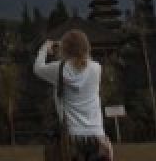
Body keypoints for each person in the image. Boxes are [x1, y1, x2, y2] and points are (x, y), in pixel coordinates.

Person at [33, 30, 113, 160]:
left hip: (71, 137)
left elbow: (38, 68)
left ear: (65, 49)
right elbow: (83, 61)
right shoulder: (96, 68)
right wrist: (66, 46)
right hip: (97, 135)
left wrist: (44, 49)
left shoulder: (59, 69)